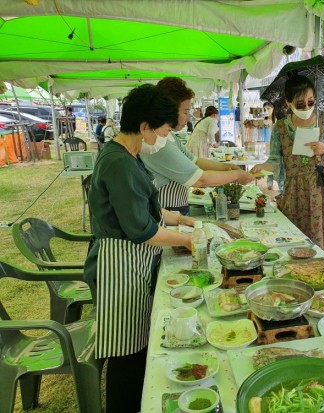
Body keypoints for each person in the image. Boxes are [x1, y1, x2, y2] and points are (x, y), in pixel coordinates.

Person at [83, 84, 195, 412]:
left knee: (137, 346)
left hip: (131, 262)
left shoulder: (128, 154)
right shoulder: (118, 161)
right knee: (127, 353)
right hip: (118, 267)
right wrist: (187, 240)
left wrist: (179, 219)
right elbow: (142, 230)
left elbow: (146, 207)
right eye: (162, 131)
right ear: (144, 126)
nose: (164, 138)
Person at [251, 75, 324, 259]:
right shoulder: (281, 127)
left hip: (321, 188)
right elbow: (275, 159)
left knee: (322, 238)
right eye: (300, 104)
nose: (307, 108)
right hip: (293, 191)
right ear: (288, 102)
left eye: (311, 102)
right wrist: (262, 167)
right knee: (294, 239)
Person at [140, 77, 253, 216]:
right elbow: (200, 179)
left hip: (178, 207)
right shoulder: (156, 144)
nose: (188, 118)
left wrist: (227, 167)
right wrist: (236, 175)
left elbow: (195, 160)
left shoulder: (169, 136)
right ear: (168, 109)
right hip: (165, 210)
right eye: (185, 112)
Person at [263, 101, 284, 192]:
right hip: (269, 143)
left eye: (268, 108)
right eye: (265, 109)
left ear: (273, 108)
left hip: (275, 144)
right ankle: (270, 182)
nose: (267, 110)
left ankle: (279, 186)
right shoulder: (266, 119)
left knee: (277, 163)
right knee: (270, 161)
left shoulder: (278, 119)